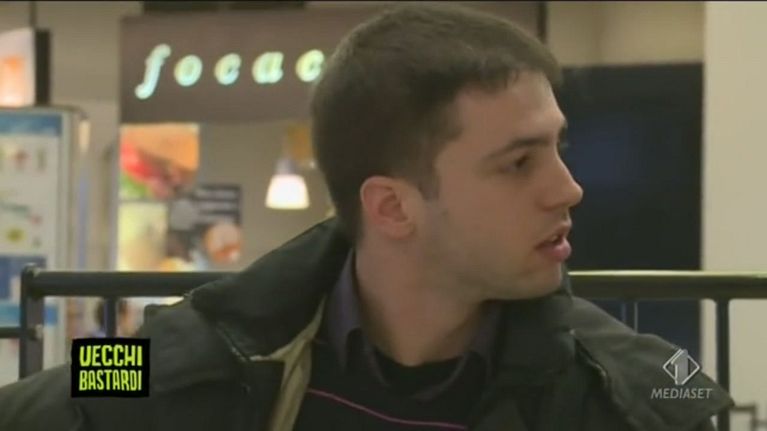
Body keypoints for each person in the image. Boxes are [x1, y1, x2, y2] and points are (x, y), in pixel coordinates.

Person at [0, 4, 732, 430]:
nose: (567, 189)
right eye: (517, 163)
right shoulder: (199, 359)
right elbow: (60, 394)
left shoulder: (631, 396)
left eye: (557, 148)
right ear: (392, 206)